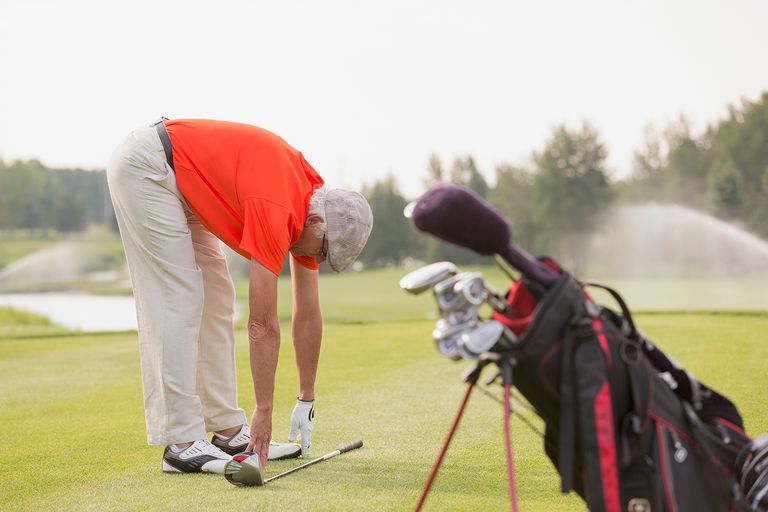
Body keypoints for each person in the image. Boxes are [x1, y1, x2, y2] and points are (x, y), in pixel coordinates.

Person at [106, 117, 373, 474]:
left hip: (185, 180)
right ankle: (181, 442)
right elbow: (262, 324)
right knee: (180, 296)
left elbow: (307, 313)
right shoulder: (279, 209)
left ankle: (228, 429)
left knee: (218, 297)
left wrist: (305, 399)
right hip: (149, 167)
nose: (318, 261)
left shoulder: (316, 208)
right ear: (314, 225)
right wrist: (264, 411)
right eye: (323, 252)